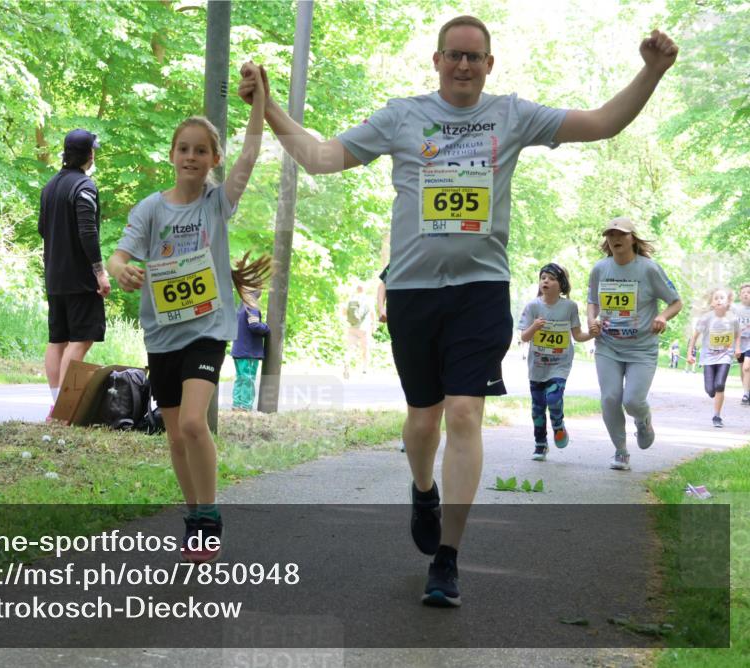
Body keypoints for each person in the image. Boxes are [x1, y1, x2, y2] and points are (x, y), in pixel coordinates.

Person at [239, 15, 677, 607]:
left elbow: (602, 123)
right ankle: (424, 489)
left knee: (465, 414)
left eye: (475, 56)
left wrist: (651, 71)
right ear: (437, 60)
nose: (464, 65)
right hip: (414, 293)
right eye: (454, 55)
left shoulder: (511, 115)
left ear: (489, 64)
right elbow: (320, 157)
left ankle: (447, 559)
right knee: (423, 422)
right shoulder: (402, 117)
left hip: (480, 291)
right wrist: (268, 108)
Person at [108, 63, 267, 564]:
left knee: (195, 423)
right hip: (162, 334)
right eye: (184, 149)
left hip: (207, 329)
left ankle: (210, 516)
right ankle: (193, 513)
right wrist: (121, 270)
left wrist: (259, 100)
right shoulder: (150, 209)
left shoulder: (217, 204)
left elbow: (251, 153)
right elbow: (118, 256)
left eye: (201, 150)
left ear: (213, 158)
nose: (192, 156)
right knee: (175, 434)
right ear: (172, 155)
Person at [587, 217, 682, 471]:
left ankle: (643, 420)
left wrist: (662, 317)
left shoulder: (649, 269)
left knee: (632, 401)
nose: (615, 239)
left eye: (621, 234)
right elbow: (592, 301)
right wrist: (592, 320)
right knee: (610, 398)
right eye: (610, 235)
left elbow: (676, 302)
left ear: (633, 238)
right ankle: (620, 451)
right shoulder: (600, 269)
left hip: (642, 348)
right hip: (608, 345)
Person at [39, 128, 110, 421]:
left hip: (54, 277)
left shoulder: (49, 187)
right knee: (81, 339)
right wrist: (100, 272)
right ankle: (66, 409)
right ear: (90, 154)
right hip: (80, 279)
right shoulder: (84, 187)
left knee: (58, 340)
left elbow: (42, 229)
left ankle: (57, 405)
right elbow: (87, 232)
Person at [518, 263, 597, 461]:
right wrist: (534, 327)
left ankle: (558, 424)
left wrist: (593, 334)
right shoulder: (533, 306)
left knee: (553, 399)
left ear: (562, 284)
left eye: (552, 278)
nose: (546, 281)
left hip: (560, 365)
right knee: (537, 408)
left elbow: (577, 335)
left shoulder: (569, 307)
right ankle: (540, 444)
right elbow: (524, 337)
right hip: (537, 366)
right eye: (543, 277)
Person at [688, 288, 739, 427]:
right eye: (716, 298)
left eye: (722, 298)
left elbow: (737, 334)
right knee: (711, 390)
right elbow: (694, 337)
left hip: (725, 355)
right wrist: (690, 353)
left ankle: (717, 416)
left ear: (728, 302)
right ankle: (714, 394)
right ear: (711, 302)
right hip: (708, 357)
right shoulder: (706, 318)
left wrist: (737, 348)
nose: (719, 300)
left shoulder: (732, 318)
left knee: (720, 385)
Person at [231, 288, 270, 411]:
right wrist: (266, 328)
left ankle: (236, 404)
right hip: (248, 352)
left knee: (240, 378)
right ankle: (245, 406)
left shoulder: (241, 306)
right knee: (248, 379)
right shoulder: (251, 306)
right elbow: (254, 325)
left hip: (239, 350)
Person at [343, 283, 373, 378]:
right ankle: (365, 369)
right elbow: (372, 314)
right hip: (364, 329)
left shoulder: (351, 299)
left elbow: (344, 312)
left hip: (352, 328)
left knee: (350, 349)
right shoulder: (368, 299)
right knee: (365, 349)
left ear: (357, 289)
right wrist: (374, 325)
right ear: (364, 290)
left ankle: (347, 362)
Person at [733, 283, 750, 406]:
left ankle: (746, 394)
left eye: (749, 292)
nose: (746, 295)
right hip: (739, 342)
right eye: (743, 292)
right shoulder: (735, 309)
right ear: (740, 295)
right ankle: (747, 391)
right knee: (742, 368)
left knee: (746, 367)